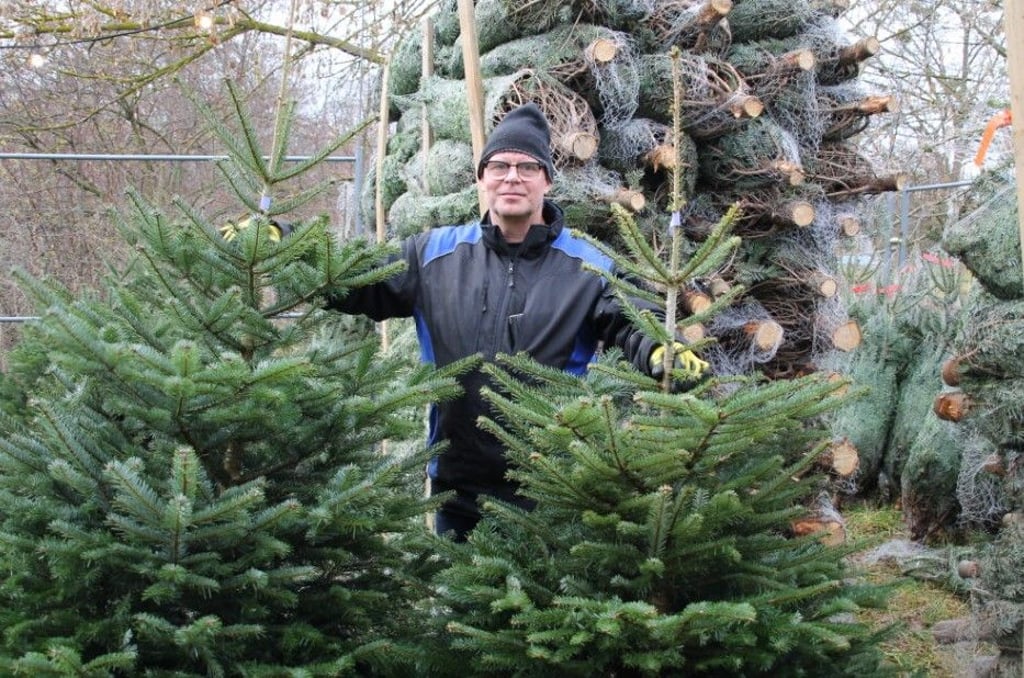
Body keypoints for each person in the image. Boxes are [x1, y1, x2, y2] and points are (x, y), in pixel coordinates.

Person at [327, 103, 707, 541]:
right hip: (457, 483)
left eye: (528, 166)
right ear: (482, 178)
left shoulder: (587, 264)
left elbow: (631, 319)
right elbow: (354, 279)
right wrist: (283, 245)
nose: (512, 177)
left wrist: (663, 346)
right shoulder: (433, 254)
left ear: (546, 179)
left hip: (551, 485)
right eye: (500, 165)